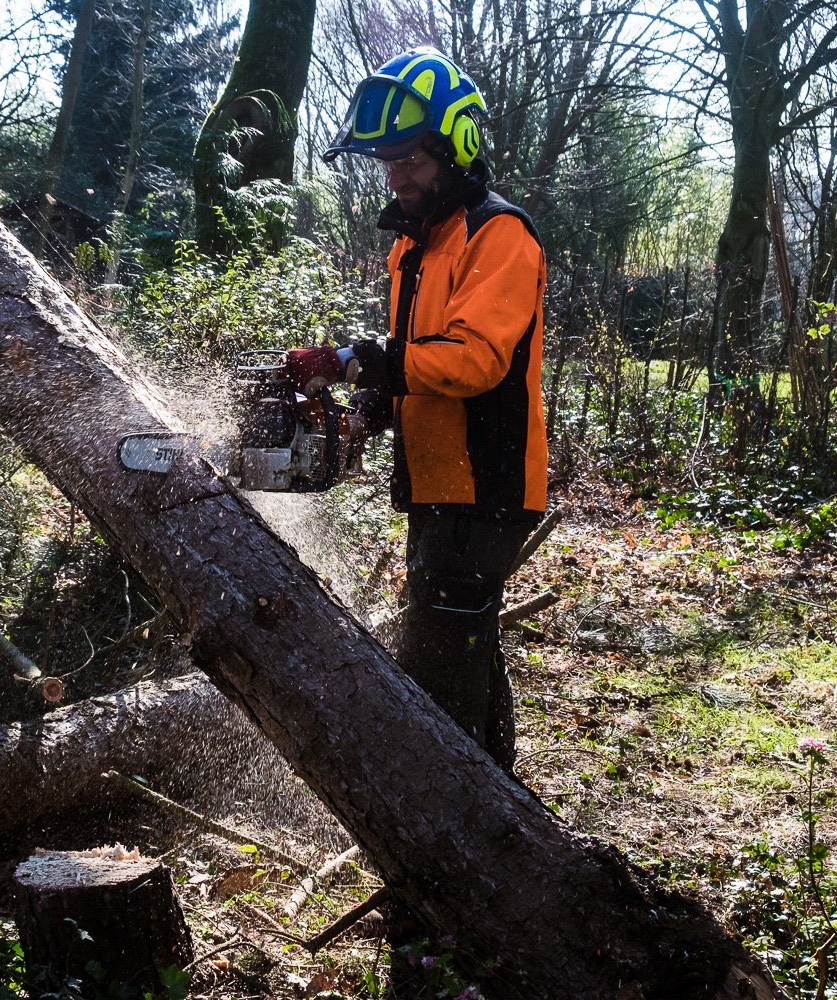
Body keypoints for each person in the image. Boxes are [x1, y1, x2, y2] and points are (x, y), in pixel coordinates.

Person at [285, 47, 547, 774]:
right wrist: (368, 405)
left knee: (437, 674)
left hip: (484, 487)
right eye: (387, 164)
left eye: (409, 161)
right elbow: (416, 362)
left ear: (453, 152)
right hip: (437, 484)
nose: (396, 177)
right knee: (465, 654)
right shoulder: (414, 248)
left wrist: (361, 357)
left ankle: (455, 824)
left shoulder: (500, 236)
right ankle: (500, 807)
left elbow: (472, 362)